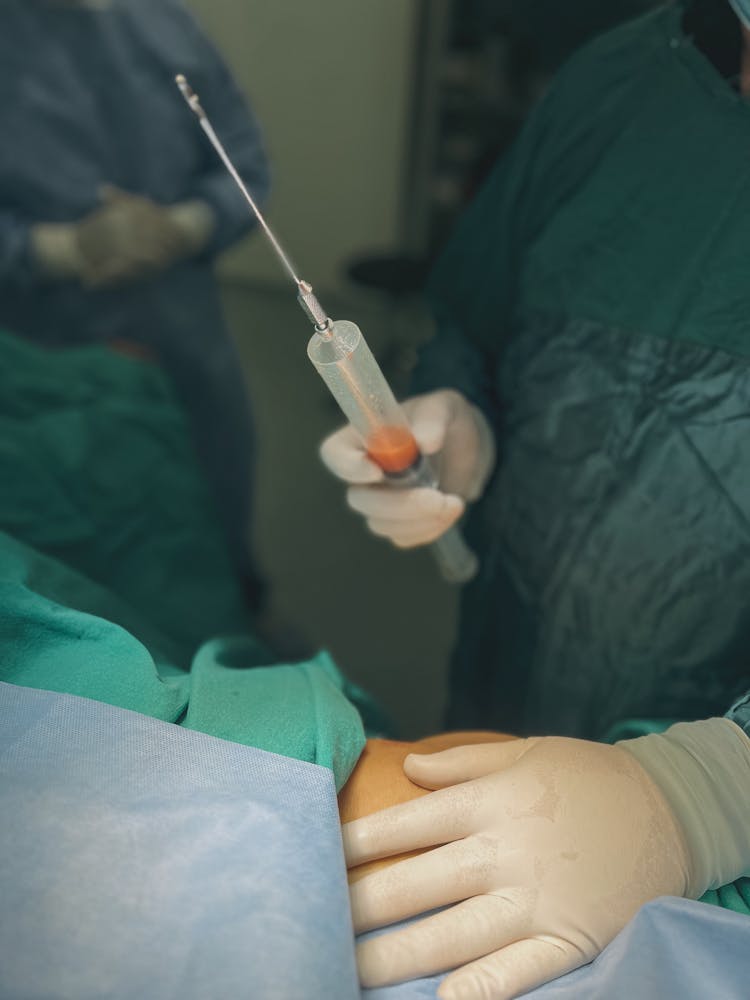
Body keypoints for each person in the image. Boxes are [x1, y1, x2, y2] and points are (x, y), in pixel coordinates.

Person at [323, 0, 750, 994]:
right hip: (505, 681)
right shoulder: (623, 81)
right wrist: (458, 421)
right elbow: (477, 314)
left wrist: (713, 791)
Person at [0, 0, 270, 608]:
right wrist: (63, 249)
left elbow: (244, 168)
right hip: (40, 361)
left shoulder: (165, 23)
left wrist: (185, 226)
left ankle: (238, 615)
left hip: (185, 340)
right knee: (66, 571)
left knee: (210, 514)